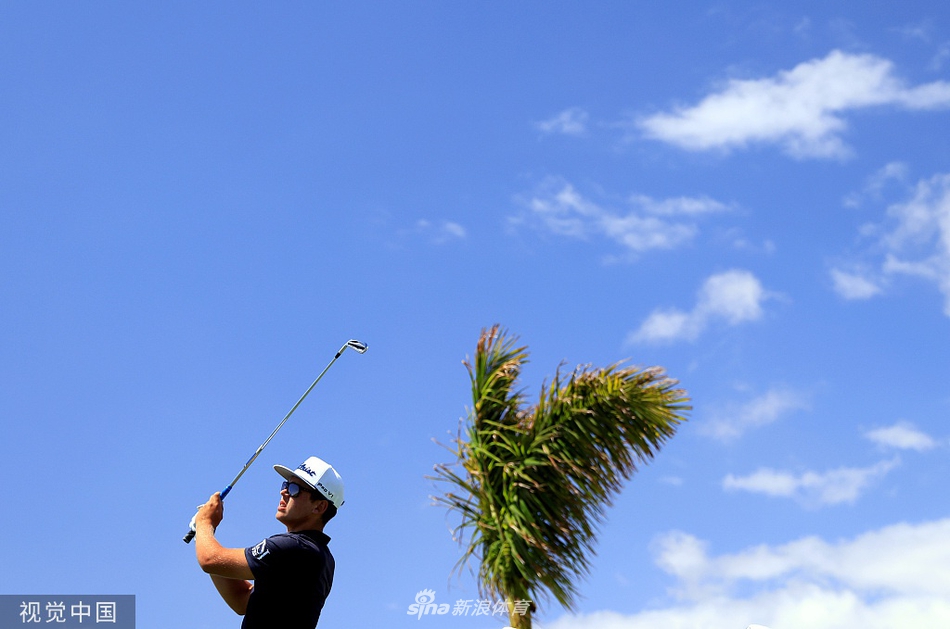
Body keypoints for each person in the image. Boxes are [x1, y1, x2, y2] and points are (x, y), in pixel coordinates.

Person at [193, 455, 344, 628]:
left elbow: (210, 560)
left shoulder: (294, 547)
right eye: (285, 485)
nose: (284, 492)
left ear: (319, 507)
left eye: (295, 489)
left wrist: (204, 523)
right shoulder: (314, 553)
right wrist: (203, 533)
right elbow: (243, 600)